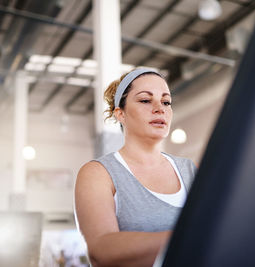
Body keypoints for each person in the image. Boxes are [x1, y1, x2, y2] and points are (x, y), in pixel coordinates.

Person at [74, 68, 196, 267]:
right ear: (120, 114)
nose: (160, 108)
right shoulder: (98, 173)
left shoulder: (189, 170)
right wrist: (188, 238)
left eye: (166, 102)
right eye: (145, 100)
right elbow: (101, 251)